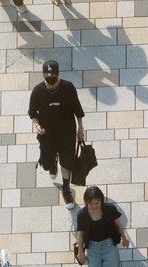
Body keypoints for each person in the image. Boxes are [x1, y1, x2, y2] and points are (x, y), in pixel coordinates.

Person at [28, 59, 85, 207]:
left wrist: (80, 129)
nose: (50, 83)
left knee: (67, 163)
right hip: (47, 135)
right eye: (48, 79)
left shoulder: (68, 88)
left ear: (58, 75)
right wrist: (37, 125)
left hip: (67, 134)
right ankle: (52, 162)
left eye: (53, 79)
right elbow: (32, 113)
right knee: (46, 165)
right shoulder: (38, 91)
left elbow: (77, 110)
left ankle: (66, 189)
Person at [75, 186, 131, 267]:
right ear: (86, 202)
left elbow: (117, 224)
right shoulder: (82, 214)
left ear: (101, 201)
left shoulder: (109, 209)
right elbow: (81, 233)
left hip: (109, 246)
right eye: (91, 203)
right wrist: (81, 252)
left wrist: (124, 237)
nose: (94, 206)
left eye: (97, 202)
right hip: (93, 248)